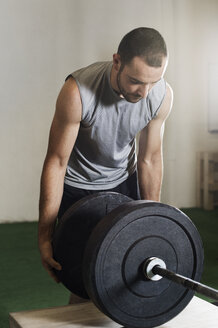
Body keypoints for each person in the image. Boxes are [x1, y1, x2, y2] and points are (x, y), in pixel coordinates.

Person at [38, 27, 173, 295]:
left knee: (130, 270)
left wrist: (152, 220)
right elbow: (56, 162)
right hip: (78, 187)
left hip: (124, 181)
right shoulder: (78, 92)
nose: (144, 92)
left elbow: (150, 159)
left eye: (153, 82)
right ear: (116, 62)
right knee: (84, 281)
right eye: (136, 80)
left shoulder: (161, 94)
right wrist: (44, 234)